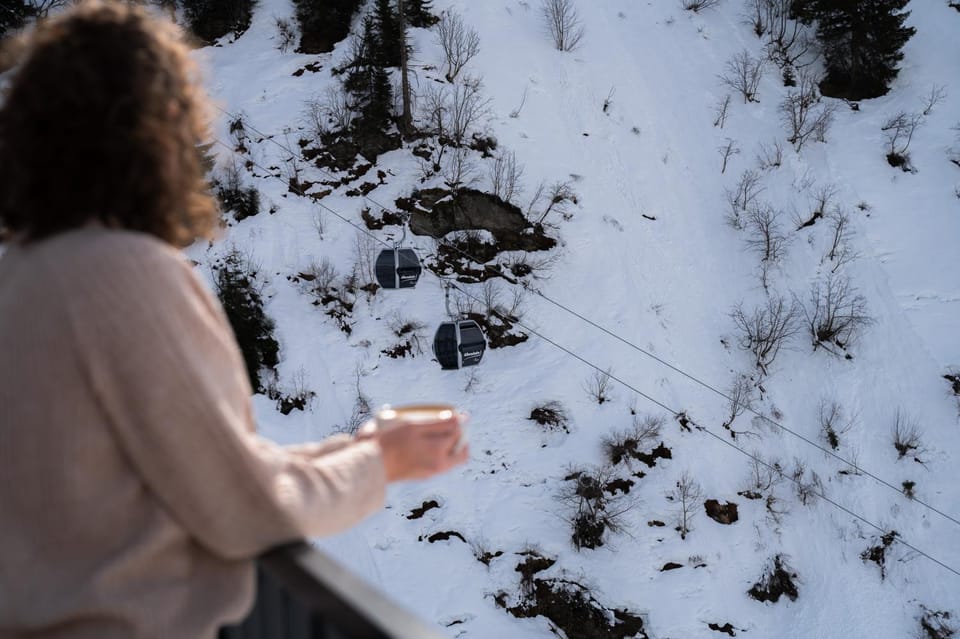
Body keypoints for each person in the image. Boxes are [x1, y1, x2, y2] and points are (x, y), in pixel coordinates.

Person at [0, 2, 468, 638]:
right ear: (155, 134)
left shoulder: (22, 276)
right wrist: (379, 462)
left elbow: (196, 465)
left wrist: (355, 450)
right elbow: (239, 507)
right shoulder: (119, 273)